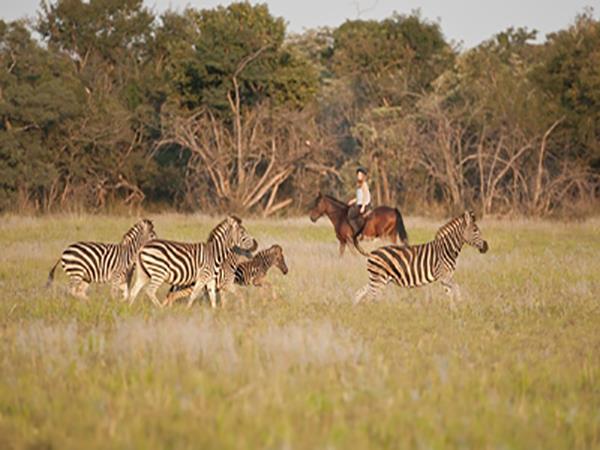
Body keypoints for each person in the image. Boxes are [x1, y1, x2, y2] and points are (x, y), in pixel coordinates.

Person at [347, 166, 372, 238]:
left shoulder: (364, 184)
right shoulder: (359, 185)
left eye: (360, 175)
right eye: (358, 175)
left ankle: (357, 232)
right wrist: (353, 201)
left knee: (350, 216)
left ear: (363, 176)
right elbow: (359, 197)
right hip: (360, 204)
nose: (358, 176)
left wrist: (363, 207)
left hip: (364, 205)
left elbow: (365, 195)